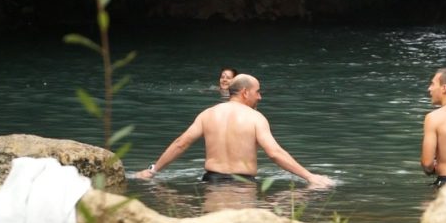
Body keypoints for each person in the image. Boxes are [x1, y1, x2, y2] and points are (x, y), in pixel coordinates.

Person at [136, 74, 334, 187]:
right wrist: (310, 177)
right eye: (258, 91)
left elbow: (181, 143)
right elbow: (274, 153)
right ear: (245, 92)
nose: (260, 97)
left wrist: (153, 171)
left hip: (210, 182)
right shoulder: (256, 117)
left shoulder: (207, 114)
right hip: (243, 185)